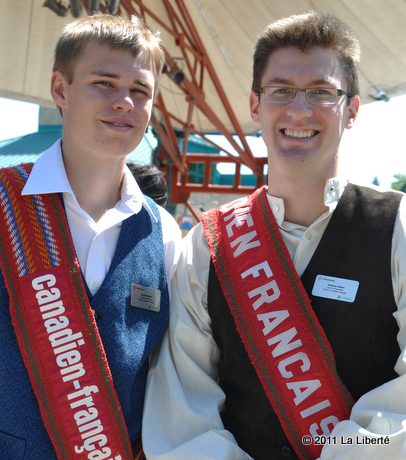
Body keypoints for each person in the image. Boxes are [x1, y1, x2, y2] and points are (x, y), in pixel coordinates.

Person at [142, 10, 406, 460]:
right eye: (281, 90)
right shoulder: (208, 244)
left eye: (322, 92)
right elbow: (182, 411)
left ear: (353, 110)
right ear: (255, 105)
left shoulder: (398, 226)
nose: (299, 109)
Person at [0, 14, 181, 459]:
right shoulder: (4, 204)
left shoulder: (165, 233)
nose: (124, 102)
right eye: (104, 82)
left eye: (140, 91)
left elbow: (169, 377)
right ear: (61, 90)